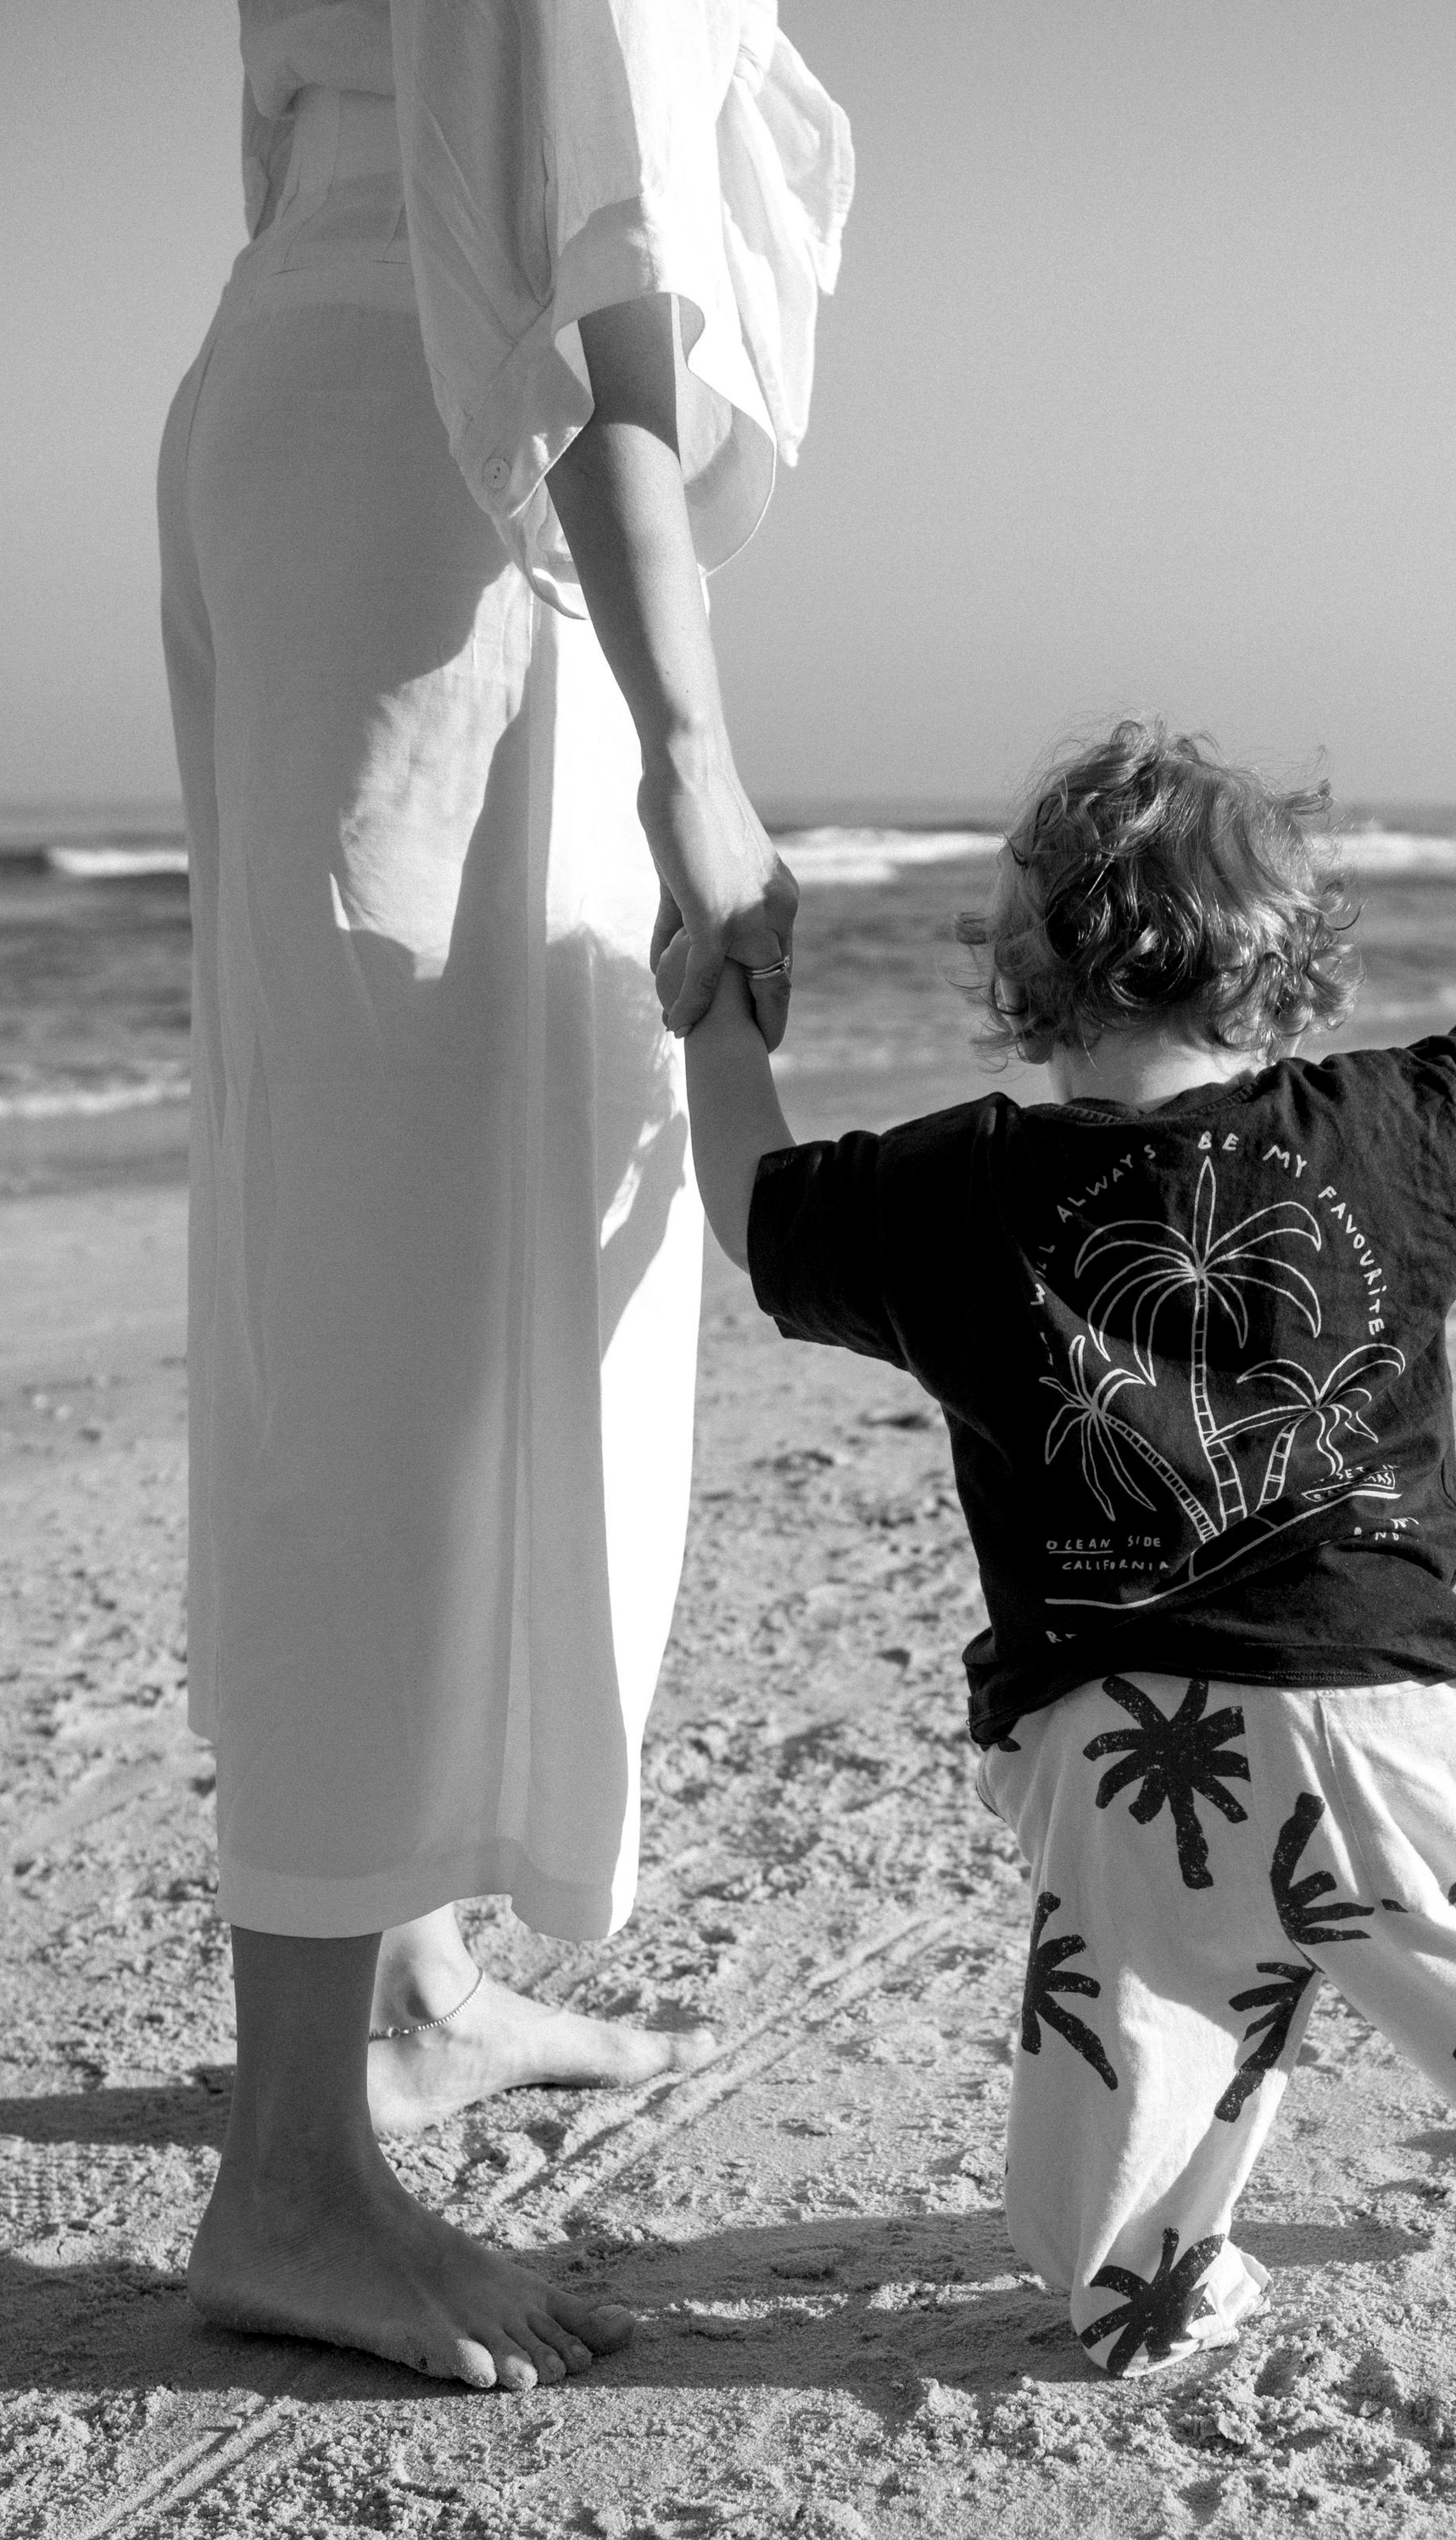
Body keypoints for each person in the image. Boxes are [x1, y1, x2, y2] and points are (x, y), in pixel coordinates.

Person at [683, 722, 1456, 2376]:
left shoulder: (962, 1191)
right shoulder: (1387, 1130)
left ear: (1021, 971)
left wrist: (719, 1020)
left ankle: (1141, 2281)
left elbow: (756, 1208)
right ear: (1287, 962)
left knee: (1133, 2036)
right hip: (1393, 1708)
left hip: (1126, 1747)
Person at [159, 1, 851, 2390]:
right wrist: (699, 758)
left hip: (351, 408)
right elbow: (579, 292)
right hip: (433, 457)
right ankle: (292, 2173)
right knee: (392, 1313)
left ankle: (411, 1988)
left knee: (401, 1255)